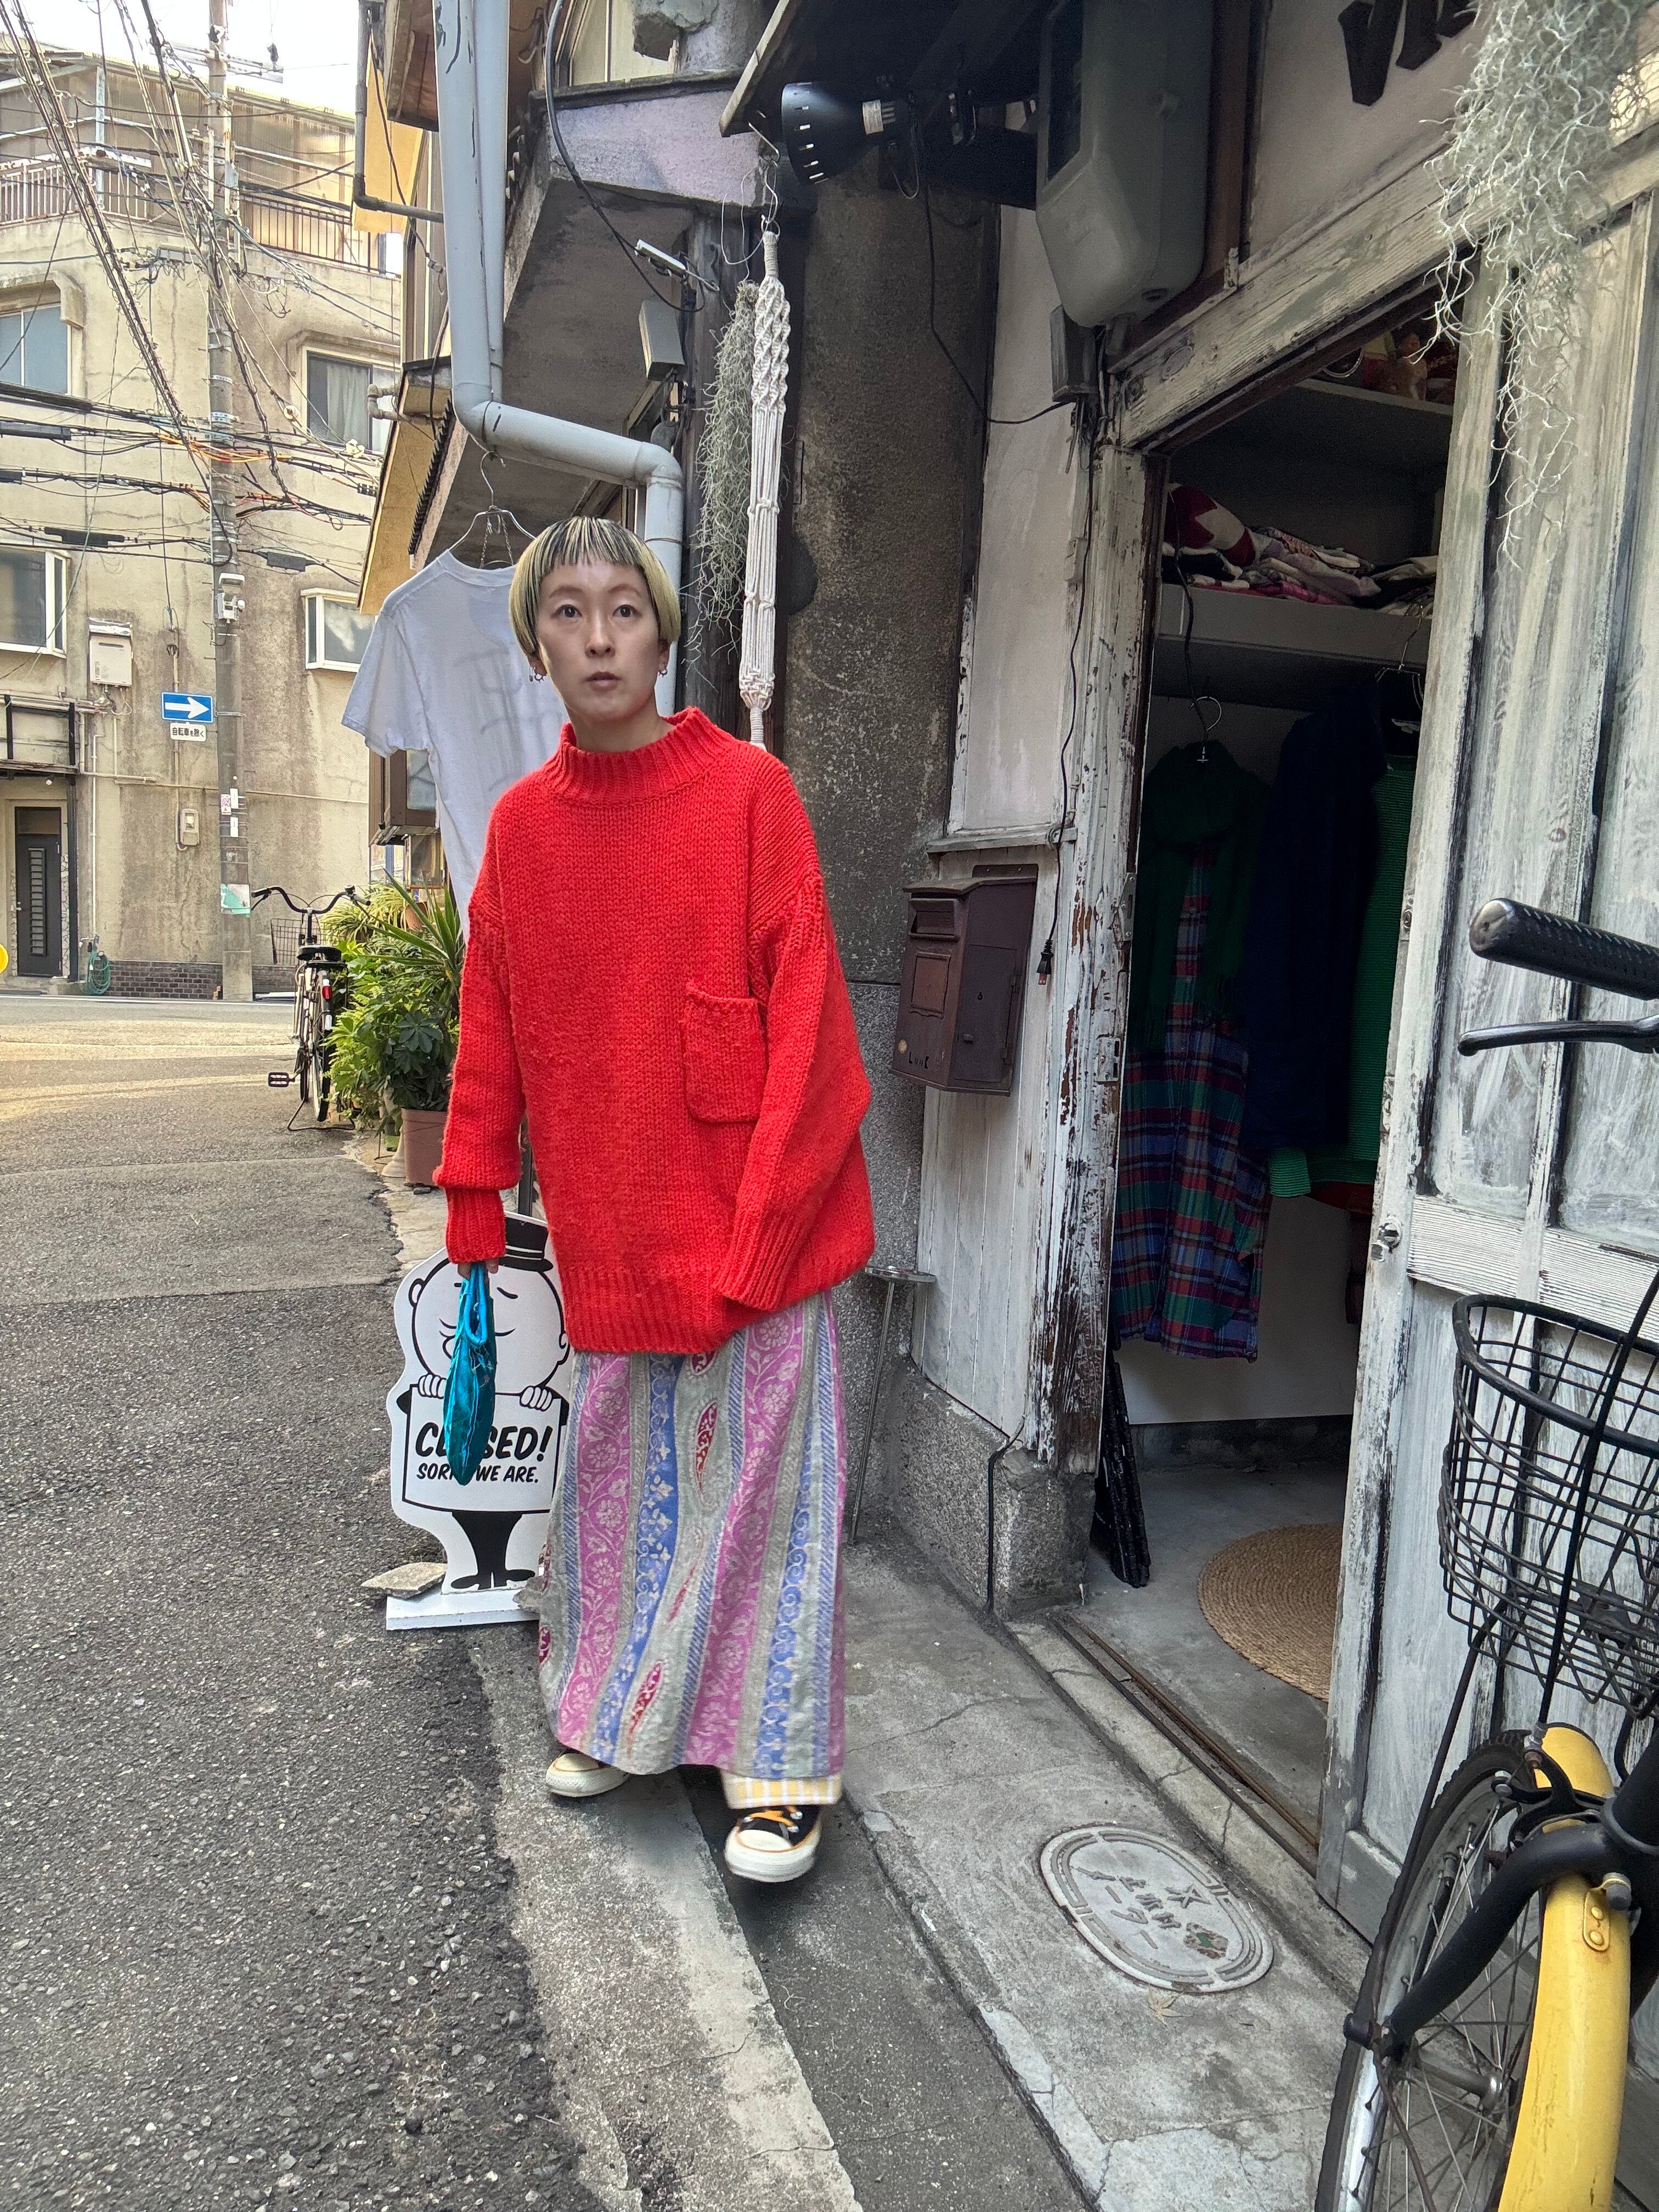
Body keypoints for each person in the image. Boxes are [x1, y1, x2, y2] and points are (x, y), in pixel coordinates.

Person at [436, 515, 875, 1884]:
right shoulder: (522, 832)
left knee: (768, 1509)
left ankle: (779, 1767)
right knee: (623, 1495)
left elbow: (815, 1030)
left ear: (663, 630)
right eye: (566, 612)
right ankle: (623, 1716)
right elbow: (492, 1030)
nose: (599, 636)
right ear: (536, 646)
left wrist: (768, 1228)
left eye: (624, 608)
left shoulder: (750, 795)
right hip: (615, 1225)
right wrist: (472, 1201)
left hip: (762, 1224)